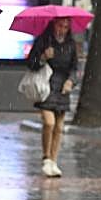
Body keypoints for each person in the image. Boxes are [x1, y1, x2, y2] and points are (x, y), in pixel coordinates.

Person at [25, 17, 78, 177]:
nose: (62, 29)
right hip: (46, 86)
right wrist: (43, 57)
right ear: (53, 25)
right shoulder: (43, 40)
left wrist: (71, 81)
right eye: (60, 25)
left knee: (59, 127)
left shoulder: (70, 44)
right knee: (49, 123)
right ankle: (46, 158)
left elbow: (75, 67)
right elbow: (30, 63)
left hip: (62, 88)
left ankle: (54, 161)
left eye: (66, 27)